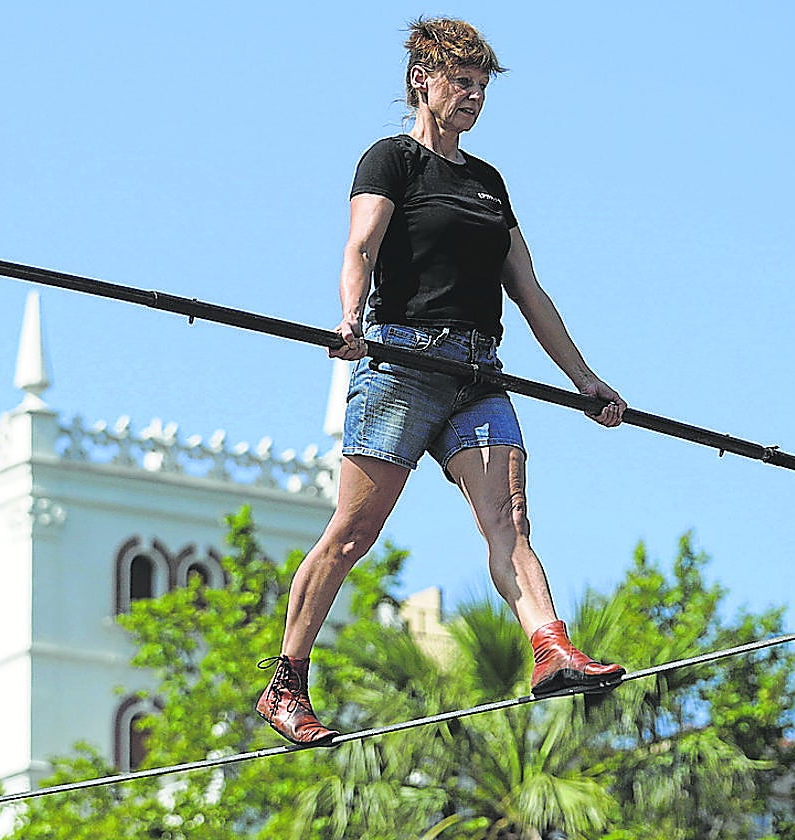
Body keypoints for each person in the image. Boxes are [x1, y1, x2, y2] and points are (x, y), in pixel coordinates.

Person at [256, 17, 628, 746]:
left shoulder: (488, 183)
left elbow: (529, 290)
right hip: (402, 363)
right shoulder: (390, 160)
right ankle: (286, 684)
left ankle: (550, 649)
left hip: (476, 374)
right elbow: (360, 246)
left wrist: (585, 380)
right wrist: (349, 319)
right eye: (462, 82)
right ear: (421, 81)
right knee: (353, 535)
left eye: (483, 86)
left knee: (510, 521)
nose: (474, 96)